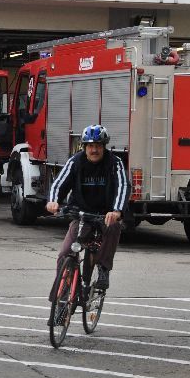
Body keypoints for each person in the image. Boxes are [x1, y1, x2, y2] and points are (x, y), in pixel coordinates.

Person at [45, 124, 127, 293]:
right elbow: (59, 183)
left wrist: (117, 211)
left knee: (114, 226)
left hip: (106, 215)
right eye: (90, 146)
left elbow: (123, 186)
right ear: (84, 147)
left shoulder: (114, 163)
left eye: (97, 146)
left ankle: (103, 269)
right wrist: (53, 201)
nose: (94, 150)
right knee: (65, 253)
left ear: (104, 147)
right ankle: (64, 291)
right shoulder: (75, 161)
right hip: (82, 214)